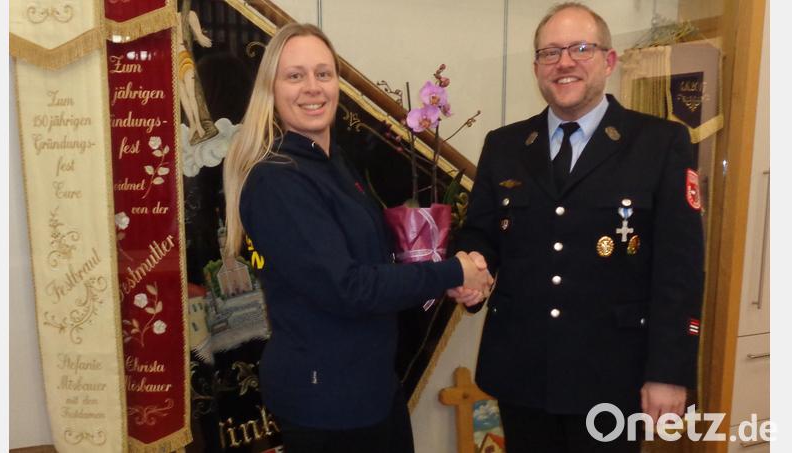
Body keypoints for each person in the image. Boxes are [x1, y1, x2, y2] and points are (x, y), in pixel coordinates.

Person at [222, 23, 493, 453]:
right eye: (295, 76)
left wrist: (452, 273)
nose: (313, 88)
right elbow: (349, 286)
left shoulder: (331, 161)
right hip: (327, 404)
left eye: (323, 73)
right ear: (271, 89)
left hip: (370, 389)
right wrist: (451, 273)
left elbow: (376, 259)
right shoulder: (278, 181)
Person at [450, 3, 704, 452]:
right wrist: (470, 265)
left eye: (581, 49)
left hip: (613, 376)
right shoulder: (505, 144)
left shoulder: (659, 143)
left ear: (609, 60)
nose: (564, 62)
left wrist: (668, 372)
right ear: (537, 68)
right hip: (522, 373)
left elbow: (679, 271)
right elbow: (481, 233)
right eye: (550, 52)